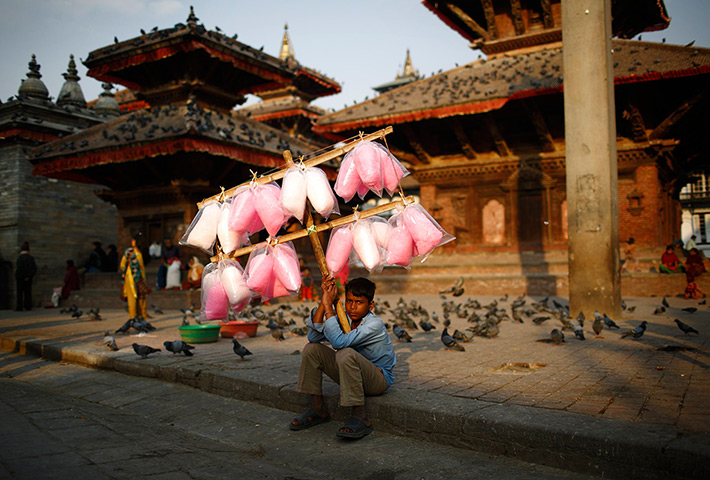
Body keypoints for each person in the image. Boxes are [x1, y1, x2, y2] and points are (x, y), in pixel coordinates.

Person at [290, 276, 395, 439]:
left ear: (370, 305)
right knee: (312, 350)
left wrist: (329, 308)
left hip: (377, 379)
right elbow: (313, 336)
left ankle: (360, 416)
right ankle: (318, 409)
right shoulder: (342, 317)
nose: (353, 307)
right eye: (349, 301)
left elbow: (339, 342)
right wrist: (324, 302)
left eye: (359, 302)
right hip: (351, 374)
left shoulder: (374, 324)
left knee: (345, 352)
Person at [121, 233, 150, 321]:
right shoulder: (142, 253)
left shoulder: (129, 252)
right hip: (140, 279)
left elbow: (122, 265)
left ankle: (133, 319)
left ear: (134, 242)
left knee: (132, 300)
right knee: (142, 300)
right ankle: (143, 319)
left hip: (130, 278)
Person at [15, 241, 37, 311]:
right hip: (28, 278)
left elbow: (19, 268)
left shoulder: (20, 258)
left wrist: (22, 276)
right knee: (28, 292)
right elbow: (34, 268)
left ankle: (19, 306)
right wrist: (29, 276)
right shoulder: (31, 258)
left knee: (20, 293)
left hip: (20, 278)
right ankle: (28, 306)